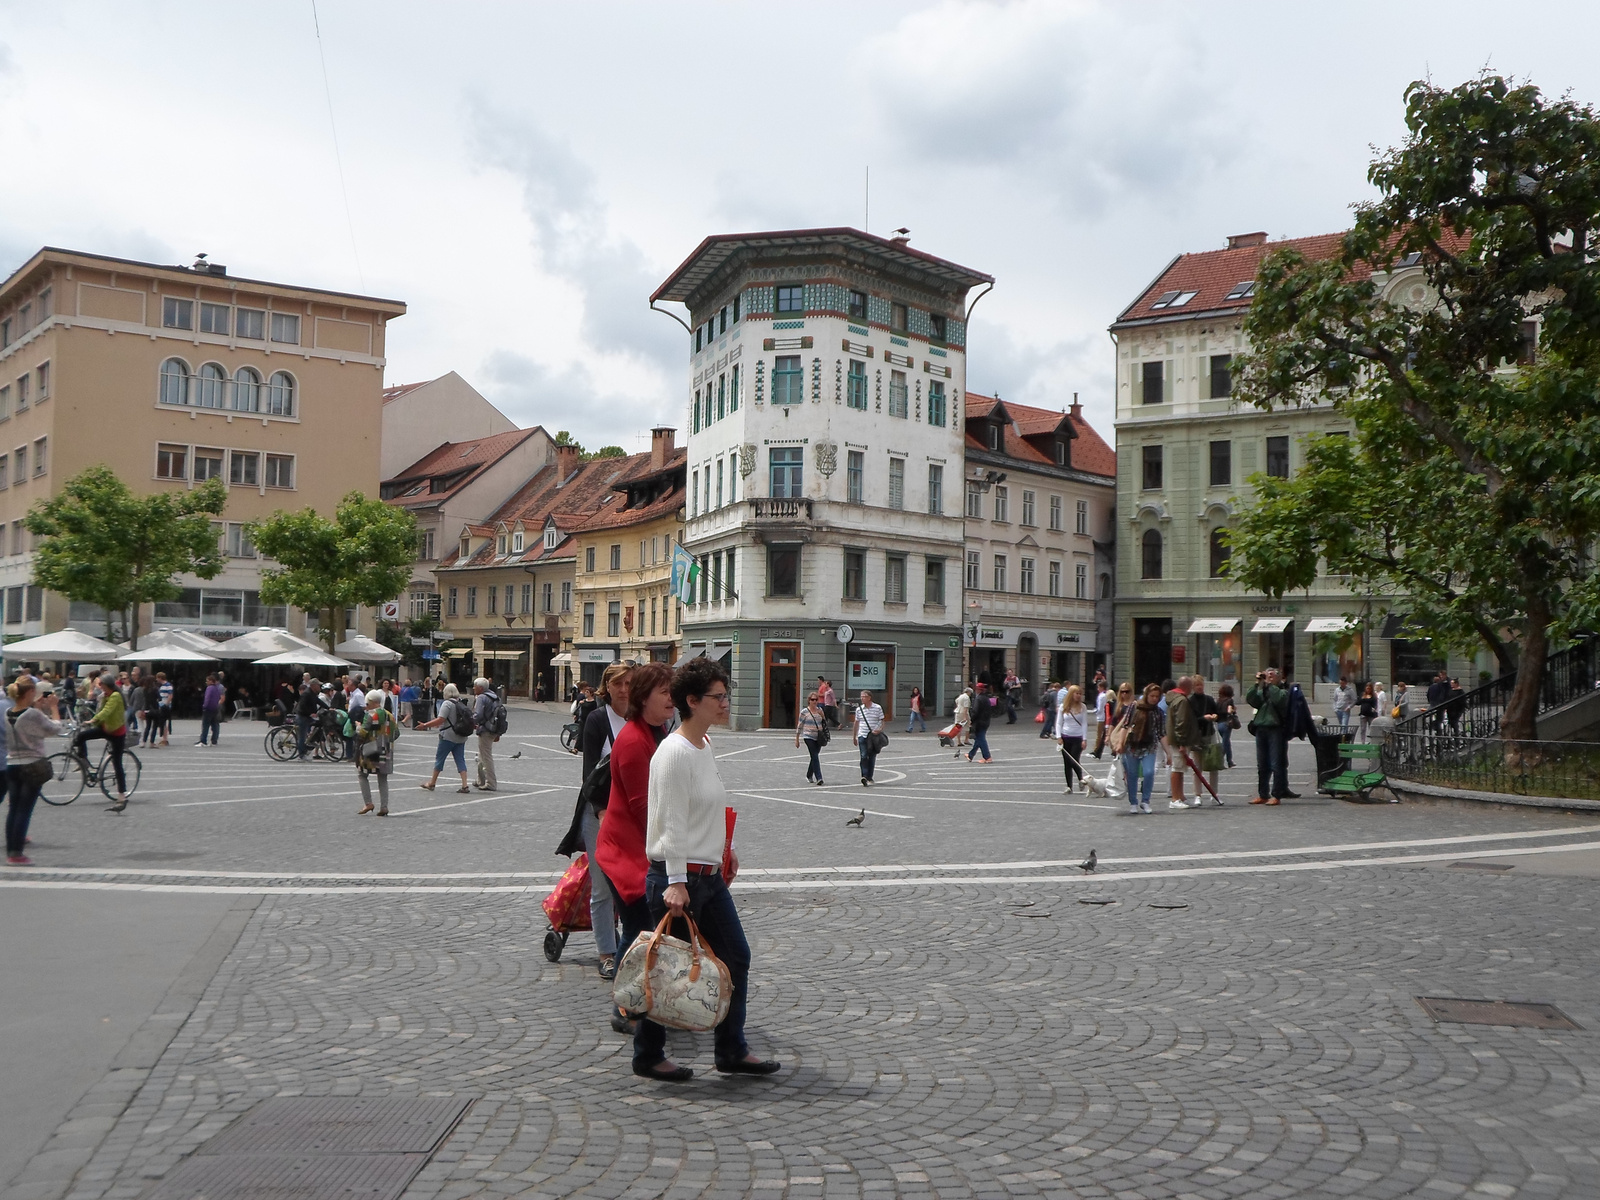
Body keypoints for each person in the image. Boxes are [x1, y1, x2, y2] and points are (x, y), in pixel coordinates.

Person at [641, 656, 779, 1081]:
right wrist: (677, 882)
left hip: (709, 876)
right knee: (667, 967)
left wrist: (725, 848)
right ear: (693, 700)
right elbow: (672, 819)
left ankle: (730, 1050)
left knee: (736, 956)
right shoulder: (674, 752)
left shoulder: (704, 746)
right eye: (719, 697)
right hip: (677, 879)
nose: (726, 703)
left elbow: (709, 806)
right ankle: (647, 1055)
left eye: (725, 695)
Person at [593, 660, 674, 1046]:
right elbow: (646, 811)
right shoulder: (633, 740)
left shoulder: (656, 731)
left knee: (642, 929)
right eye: (665, 692)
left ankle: (639, 1002)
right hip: (626, 853)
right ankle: (624, 1008)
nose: (672, 698)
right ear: (644, 699)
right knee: (638, 930)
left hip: (638, 851)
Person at [579, 662, 631, 980]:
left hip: (632, 813)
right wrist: (601, 811)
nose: (624, 689)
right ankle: (607, 953)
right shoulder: (598, 719)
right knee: (602, 888)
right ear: (607, 687)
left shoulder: (642, 718)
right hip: (600, 811)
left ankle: (630, 946)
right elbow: (589, 773)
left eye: (629, 683)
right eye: (618, 683)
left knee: (632, 887)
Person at [7, 678, 64, 863]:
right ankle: (17, 853)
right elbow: (54, 728)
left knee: (14, 809)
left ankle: (12, 850)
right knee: (24, 809)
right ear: (30, 692)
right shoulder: (32, 714)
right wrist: (54, 708)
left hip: (12, 763)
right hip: (32, 763)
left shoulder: (7, 713)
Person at [73, 673, 129, 811]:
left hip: (116, 732)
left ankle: (122, 796)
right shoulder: (105, 695)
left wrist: (93, 720)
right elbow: (99, 708)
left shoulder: (115, 696)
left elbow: (106, 711)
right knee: (81, 737)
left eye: (101, 685)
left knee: (117, 764)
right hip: (105, 728)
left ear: (107, 684)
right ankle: (83, 762)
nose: (100, 687)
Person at [351, 688, 399, 816]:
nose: (366, 706)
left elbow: (362, 733)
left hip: (371, 750)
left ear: (372, 702)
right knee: (383, 778)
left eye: (367, 703)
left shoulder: (371, 715)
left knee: (362, 774)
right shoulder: (390, 715)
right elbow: (397, 733)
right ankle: (384, 807)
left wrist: (357, 726)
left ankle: (368, 803)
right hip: (386, 750)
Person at [1118, 682, 1164, 814]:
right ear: (1146, 695)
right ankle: (1133, 802)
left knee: (1149, 772)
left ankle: (1145, 801)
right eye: (1152, 696)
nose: (1154, 698)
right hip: (1133, 745)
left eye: (1157, 696)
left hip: (1150, 746)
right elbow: (1125, 725)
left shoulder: (1158, 712)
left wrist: (1169, 753)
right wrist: (1120, 743)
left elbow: (1162, 733)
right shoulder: (1135, 706)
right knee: (1132, 775)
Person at [1246, 668, 1290, 805]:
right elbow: (1251, 700)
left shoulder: (1283, 691)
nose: (1269, 678)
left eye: (1272, 676)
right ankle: (1263, 794)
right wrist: (1257, 684)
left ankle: (1276, 794)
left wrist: (1270, 685)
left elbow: (1279, 700)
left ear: (1279, 678)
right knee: (1262, 764)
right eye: (1267, 675)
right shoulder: (1263, 691)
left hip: (1275, 729)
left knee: (1276, 763)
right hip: (1261, 729)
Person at [418, 682, 472, 793]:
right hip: (461, 736)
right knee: (460, 760)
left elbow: (440, 719)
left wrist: (425, 725)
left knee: (440, 759)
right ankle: (465, 785)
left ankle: (432, 783)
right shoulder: (460, 703)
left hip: (447, 736)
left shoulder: (447, 704)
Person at [1164, 677, 1198, 810]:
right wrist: (1182, 742)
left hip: (1176, 739)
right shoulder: (1182, 700)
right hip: (1180, 741)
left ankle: (1180, 795)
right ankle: (1175, 798)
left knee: (1180, 768)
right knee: (1177, 769)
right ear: (1188, 687)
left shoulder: (1175, 698)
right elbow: (1181, 723)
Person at [1056, 684, 1087, 794]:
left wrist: (1085, 739)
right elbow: (1059, 723)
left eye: (1080, 693)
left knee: (1074, 759)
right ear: (1071, 694)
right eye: (1076, 693)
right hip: (1065, 736)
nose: (1078, 696)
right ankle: (1069, 786)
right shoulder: (1063, 707)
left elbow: (1084, 724)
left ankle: (1080, 778)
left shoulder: (1083, 707)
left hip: (1077, 737)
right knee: (1067, 763)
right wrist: (1058, 736)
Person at [471, 676, 500, 791]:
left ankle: (491, 783)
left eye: (475, 686)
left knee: (486, 756)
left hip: (485, 729)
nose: (473, 688)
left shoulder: (481, 698)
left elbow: (477, 715)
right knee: (482, 755)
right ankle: (480, 780)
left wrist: (469, 722)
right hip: (493, 729)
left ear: (480, 688)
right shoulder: (495, 696)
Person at [854, 689, 885, 785]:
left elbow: (882, 721)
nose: (862, 698)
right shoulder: (859, 709)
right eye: (861, 696)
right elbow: (856, 723)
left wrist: (879, 729)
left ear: (869, 698)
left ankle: (869, 777)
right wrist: (854, 736)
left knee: (871, 756)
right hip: (862, 734)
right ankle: (864, 776)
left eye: (864, 696)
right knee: (863, 756)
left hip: (873, 736)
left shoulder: (877, 708)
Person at [797, 689, 827, 785]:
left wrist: (822, 716)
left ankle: (809, 774)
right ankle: (819, 777)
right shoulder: (804, 712)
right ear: (809, 700)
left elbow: (824, 723)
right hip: (808, 735)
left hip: (818, 736)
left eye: (816, 700)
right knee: (814, 755)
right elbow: (800, 725)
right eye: (812, 699)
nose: (814, 701)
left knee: (814, 756)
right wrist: (797, 738)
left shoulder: (820, 710)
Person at [966, 681, 993, 764]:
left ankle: (987, 757)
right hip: (986, 721)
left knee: (981, 739)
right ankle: (970, 755)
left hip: (979, 722)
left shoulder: (978, 699)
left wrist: (971, 720)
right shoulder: (986, 698)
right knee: (978, 739)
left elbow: (975, 711)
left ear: (978, 690)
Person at [196, 673, 223, 746]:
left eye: (207, 681)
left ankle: (203, 741)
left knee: (205, 725)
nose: (206, 682)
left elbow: (207, 698)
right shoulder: (217, 688)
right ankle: (214, 741)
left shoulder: (209, 688)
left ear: (211, 681)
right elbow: (218, 698)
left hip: (208, 709)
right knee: (215, 725)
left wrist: (204, 706)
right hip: (215, 708)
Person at [1216, 682, 1239, 768]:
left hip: (1219, 724)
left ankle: (1230, 761)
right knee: (1225, 744)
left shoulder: (1218, 701)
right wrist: (1233, 710)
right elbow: (1229, 711)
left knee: (1227, 742)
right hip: (1226, 723)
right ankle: (1219, 760)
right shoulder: (1230, 700)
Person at [1091, 681, 1111, 758]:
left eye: (1098, 687)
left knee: (1099, 735)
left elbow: (1100, 708)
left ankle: (1096, 750)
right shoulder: (1105, 695)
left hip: (1101, 717)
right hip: (1103, 716)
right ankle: (1097, 749)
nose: (1097, 688)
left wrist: (1095, 711)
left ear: (1102, 687)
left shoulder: (1101, 696)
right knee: (1101, 735)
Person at [952, 686, 972, 755]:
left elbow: (956, 701)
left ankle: (959, 741)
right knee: (967, 726)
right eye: (970, 693)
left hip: (957, 711)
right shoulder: (966, 697)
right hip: (963, 712)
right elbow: (966, 708)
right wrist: (965, 717)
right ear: (968, 692)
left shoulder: (960, 696)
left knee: (958, 727)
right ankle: (966, 740)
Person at [156, 672, 173, 746]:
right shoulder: (162, 686)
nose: (156, 679)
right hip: (161, 704)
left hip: (164, 705)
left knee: (163, 722)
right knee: (162, 722)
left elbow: (170, 695)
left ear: (160, 678)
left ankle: (165, 739)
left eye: (157, 678)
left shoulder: (168, 685)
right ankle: (164, 738)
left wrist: (166, 704)